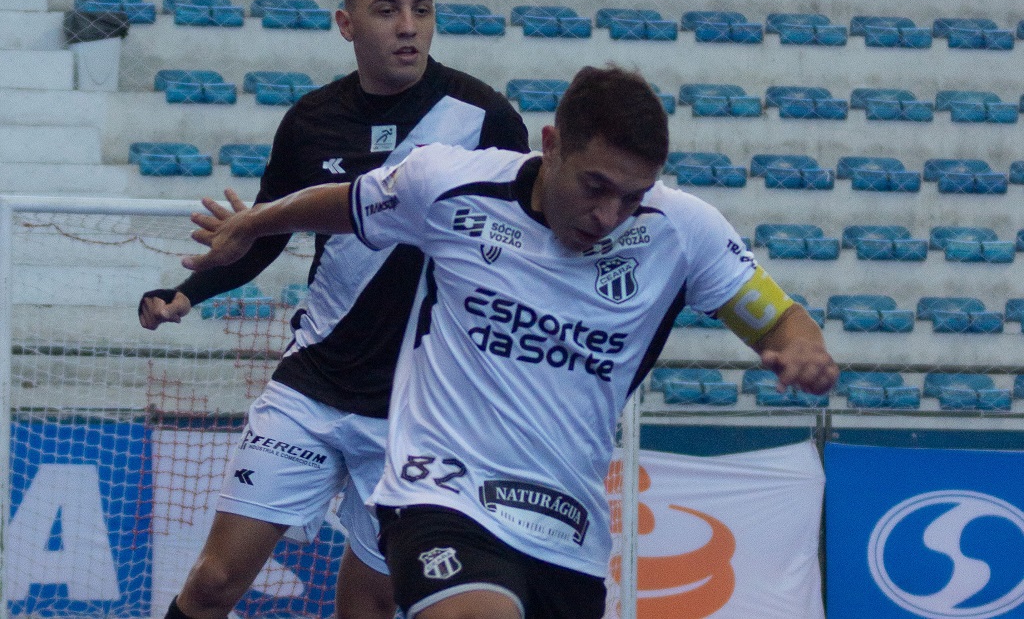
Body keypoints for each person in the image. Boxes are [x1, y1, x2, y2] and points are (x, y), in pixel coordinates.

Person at [181, 65, 839, 619]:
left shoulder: (684, 229)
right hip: (441, 493)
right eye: (596, 188)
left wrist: (800, 346)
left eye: (632, 198)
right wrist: (256, 225)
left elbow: (775, 316)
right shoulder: (449, 184)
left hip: (567, 527)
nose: (609, 218)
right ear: (551, 145)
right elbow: (346, 202)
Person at [138, 0, 529, 619]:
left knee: (373, 605)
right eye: (387, 11)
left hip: (416, 413)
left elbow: (522, 248)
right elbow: (260, 235)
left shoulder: (486, 121)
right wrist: (186, 293)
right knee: (211, 582)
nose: (408, 26)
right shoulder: (310, 120)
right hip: (311, 388)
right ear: (347, 24)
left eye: (422, 10)